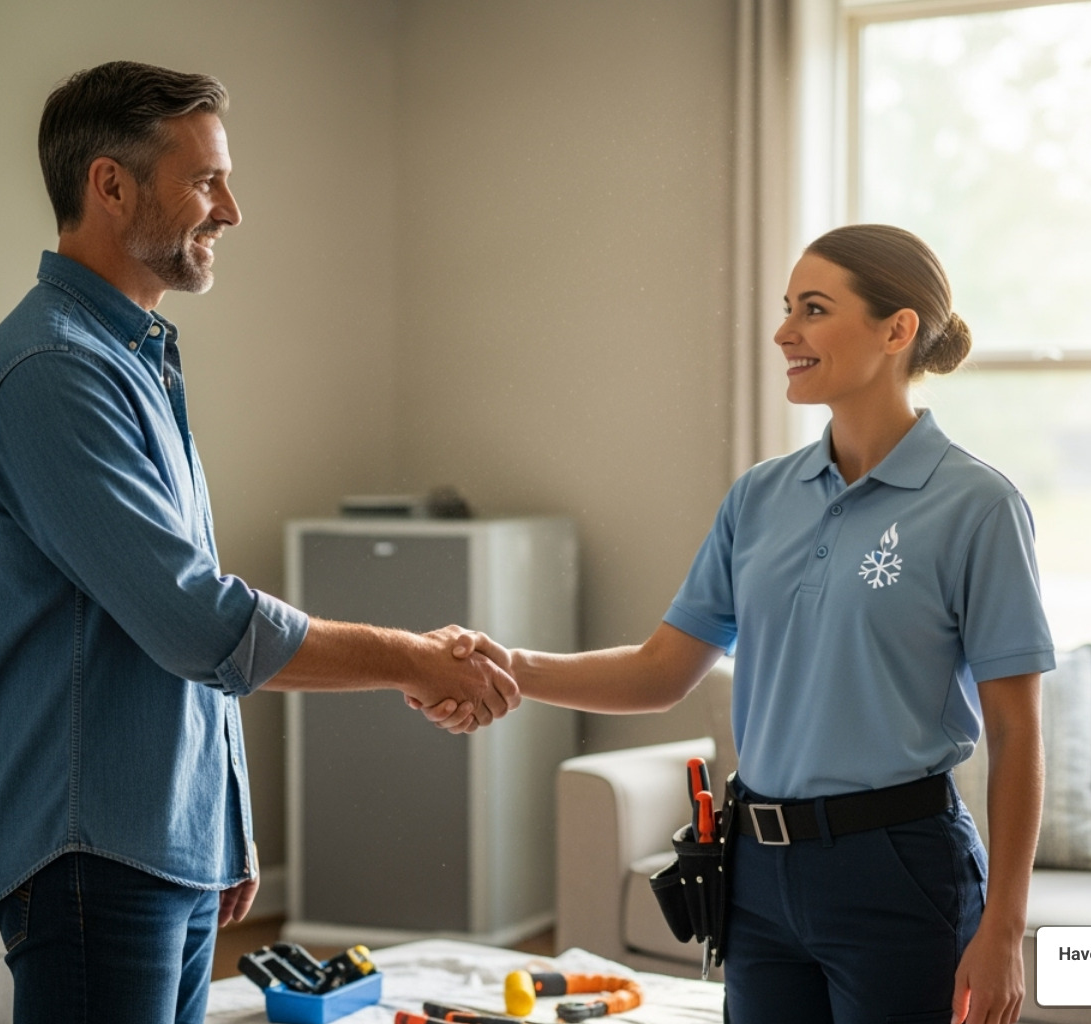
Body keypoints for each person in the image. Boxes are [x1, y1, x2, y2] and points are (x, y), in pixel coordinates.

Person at [0, 61, 515, 1024]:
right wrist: (411, 658)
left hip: (157, 845)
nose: (233, 210)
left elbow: (174, 620)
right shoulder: (53, 372)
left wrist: (222, 827)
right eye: (206, 180)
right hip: (91, 854)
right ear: (111, 184)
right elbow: (197, 622)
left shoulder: (130, 360)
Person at [435, 225, 1051, 1024]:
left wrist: (1003, 925)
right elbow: (659, 671)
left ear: (896, 330)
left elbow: (1016, 729)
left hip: (899, 864)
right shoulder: (760, 498)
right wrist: (505, 662)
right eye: (788, 307)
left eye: (815, 309)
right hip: (758, 869)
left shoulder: (978, 506)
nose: (783, 332)